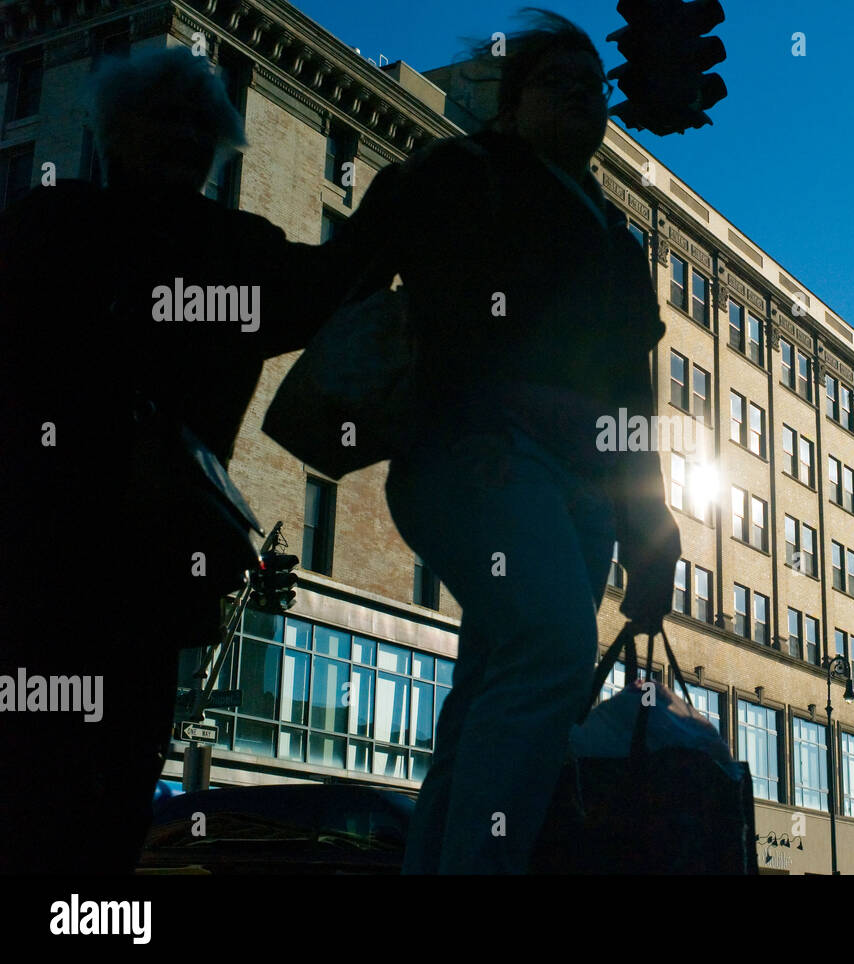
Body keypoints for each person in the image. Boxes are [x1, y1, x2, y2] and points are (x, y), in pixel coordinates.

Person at [337, 8, 680, 874]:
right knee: (551, 649)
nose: (584, 98)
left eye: (595, 87)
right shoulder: (464, 172)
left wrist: (651, 528)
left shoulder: (616, 235)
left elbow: (633, 397)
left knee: (490, 685)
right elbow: (348, 274)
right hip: (476, 460)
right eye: (558, 83)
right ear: (511, 100)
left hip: (579, 496)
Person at [0, 47, 359, 873]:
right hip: (144, 573)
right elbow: (343, 278)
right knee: (107, 792)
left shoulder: (46, 225)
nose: (185, 140)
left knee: (51, 784)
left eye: (192, 124)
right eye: (180, 124)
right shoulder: (231, 249)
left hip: (52, 564)